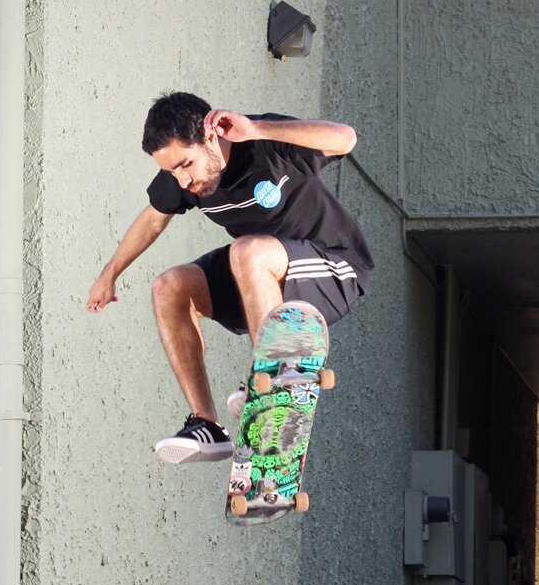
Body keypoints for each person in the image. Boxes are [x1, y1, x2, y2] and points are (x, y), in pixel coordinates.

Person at [87, 91, 373, 464]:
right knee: (169, 287)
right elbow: (153, 219)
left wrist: (256, 129)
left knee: (247, 251)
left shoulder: (265, 142)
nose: (182, 180)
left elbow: (345, 138)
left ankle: (274, 384)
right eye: (173, 171)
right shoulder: (182, 178)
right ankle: (207, 426)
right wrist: (109, 274)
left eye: (186, 165)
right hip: (261, 279)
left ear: (210, 137)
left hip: (334, 270)